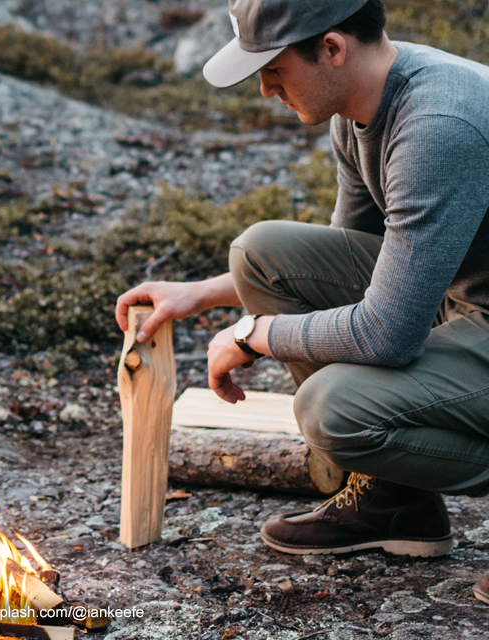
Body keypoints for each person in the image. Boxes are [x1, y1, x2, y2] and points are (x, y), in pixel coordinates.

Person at [115, 0, 489, 602]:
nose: (264, 89)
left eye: (273, 68)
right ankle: (395, 501)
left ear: (333, 48)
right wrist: (202, 295)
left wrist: (250, 336)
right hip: (464, 302)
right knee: (262, 252)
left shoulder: (438, 125)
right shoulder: (360, 106)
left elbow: (386, 331)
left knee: (332, 410)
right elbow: (354, 257)